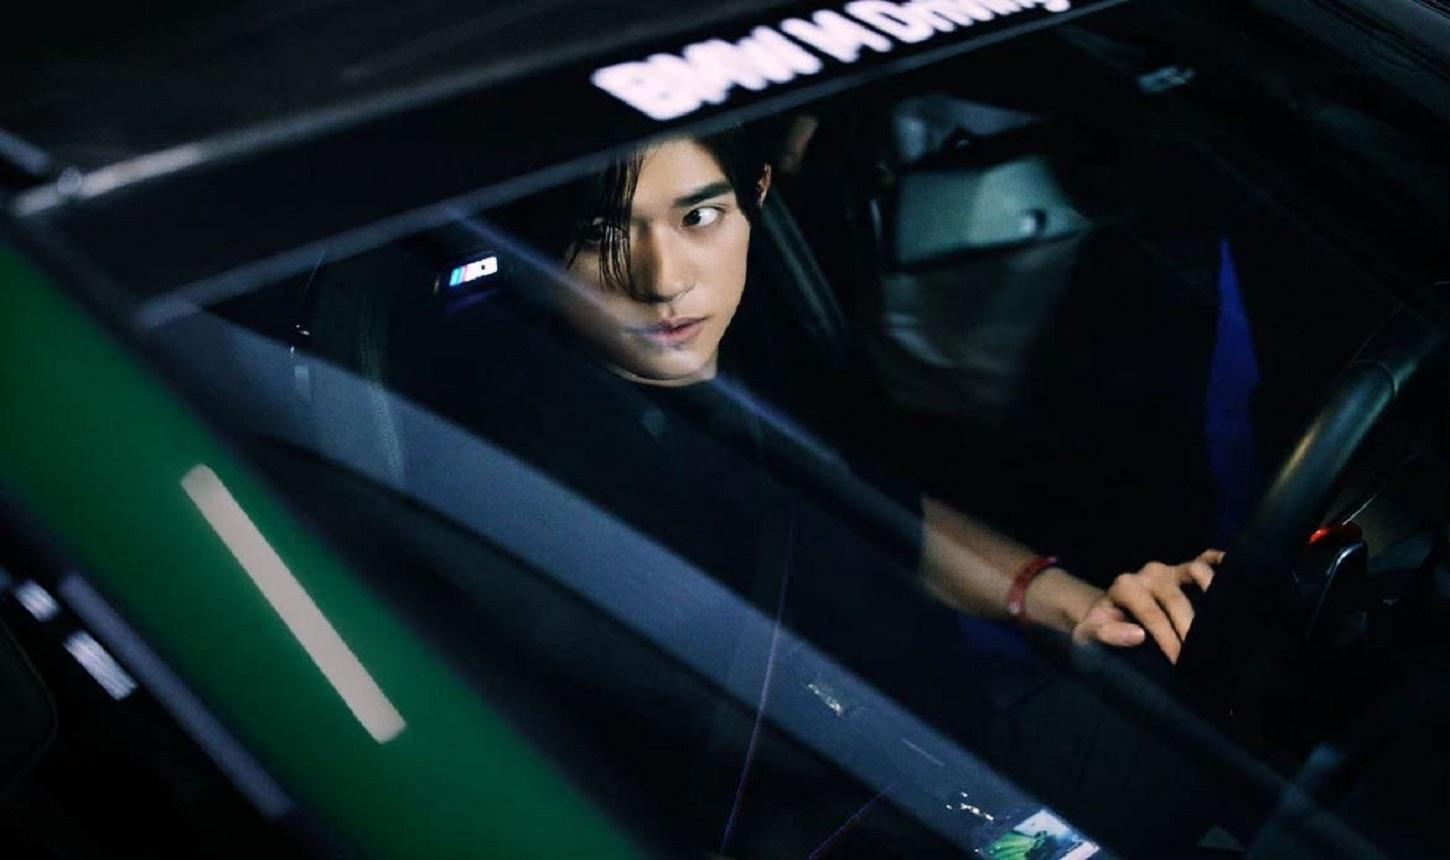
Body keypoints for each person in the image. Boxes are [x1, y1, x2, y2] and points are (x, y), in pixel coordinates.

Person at [530, 130, 1224, 666]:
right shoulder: (517, 453)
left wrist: (1080, 608)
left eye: (701, 216)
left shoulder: (764, 343)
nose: (662, 280)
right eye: (601, 234)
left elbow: (872, 507)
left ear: (758, 195)